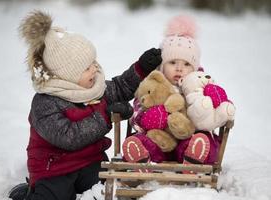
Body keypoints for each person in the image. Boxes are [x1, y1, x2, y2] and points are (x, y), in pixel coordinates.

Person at [8, 10, 162, 200]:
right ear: (67, 76)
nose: (95, 69)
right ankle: (31, 192)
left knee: (105, 190)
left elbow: (120, 87)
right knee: (55, 196)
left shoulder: (92, 87)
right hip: (54, 169)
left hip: (90, 162)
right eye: (87, 67)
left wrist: (141, 69)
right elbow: (69, 137)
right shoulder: (45, 103)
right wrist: (106, 115)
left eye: (93, 63)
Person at [122, 15, 220, 167]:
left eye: (187, 64)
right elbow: (136, 109)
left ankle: (194, 157)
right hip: (160, 139)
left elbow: (212, 114)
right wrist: (144, 118)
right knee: (145, 140)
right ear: (162, 65)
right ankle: (141, 157)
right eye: (173, 62)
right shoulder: (153, 83)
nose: (179, 68)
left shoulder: (199, 86)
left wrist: (213, 104)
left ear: (194, 68)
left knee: (203, 138)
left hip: (188, 137)